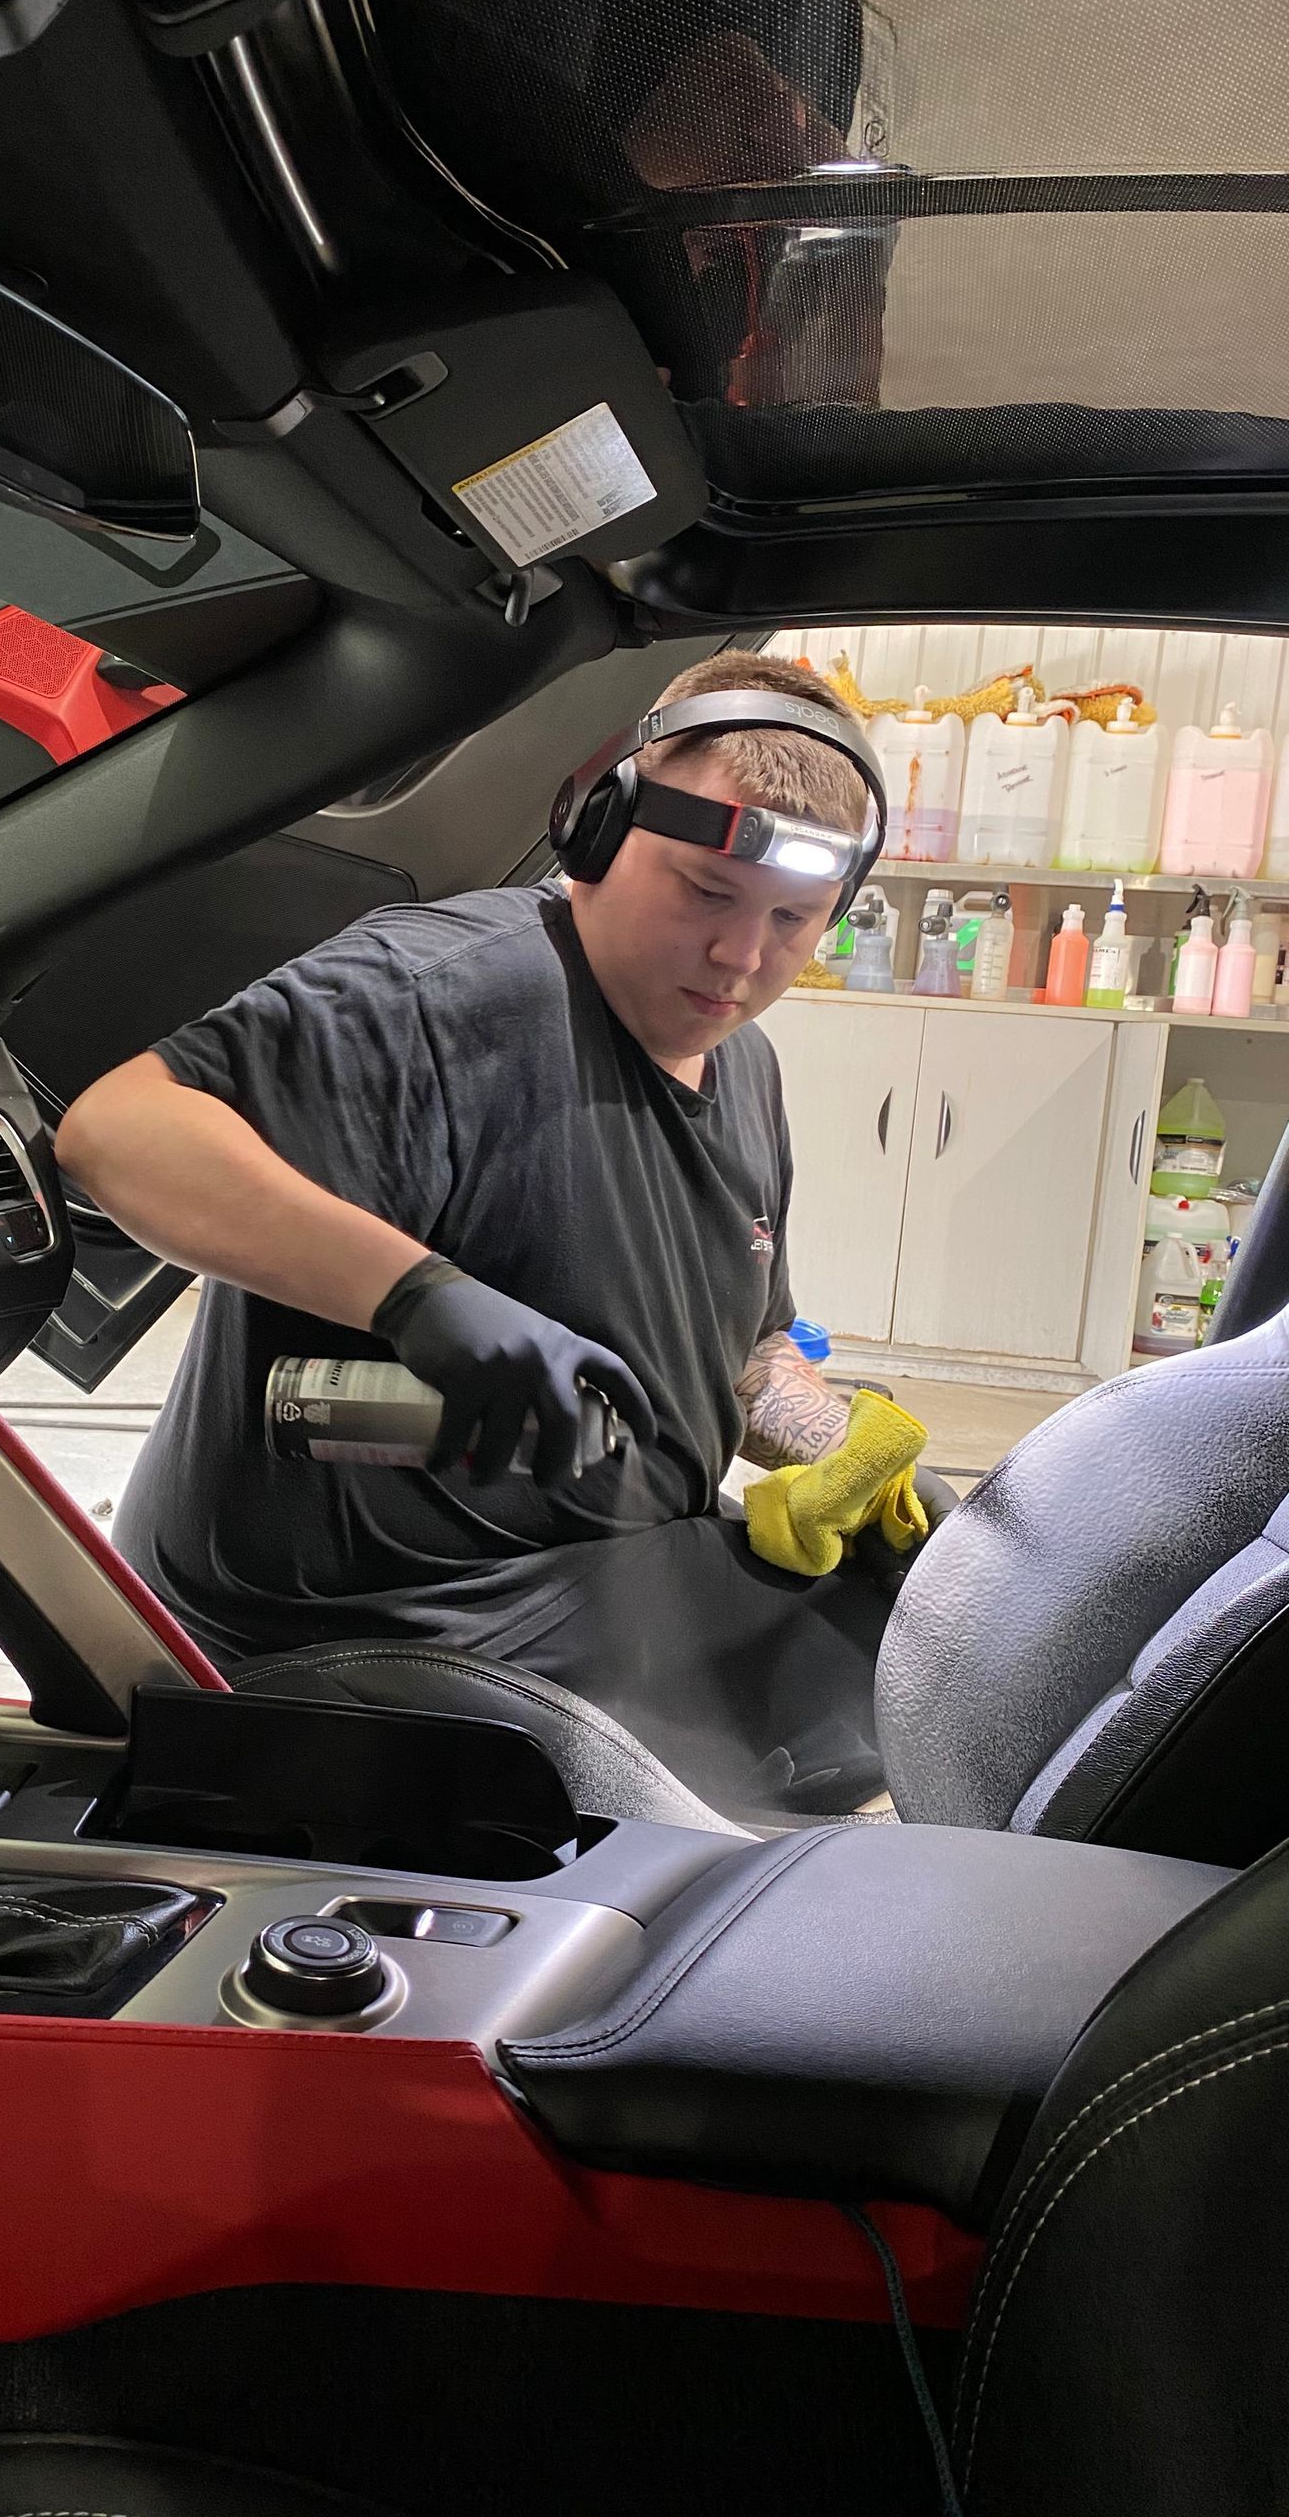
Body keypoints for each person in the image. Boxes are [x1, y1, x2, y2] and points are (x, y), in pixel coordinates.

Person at [57, 651, 896, 1812]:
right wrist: (418, 1297)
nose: (742, 959)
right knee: (730, 1816)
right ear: (600, 831)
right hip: (359, 1624)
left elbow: (747, 1349)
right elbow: (115, 1131)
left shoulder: (746, 1070)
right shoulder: (443, 990)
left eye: (791, 919)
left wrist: (837, 1444)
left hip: (588, 1571)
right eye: (708, 894)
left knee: (913, 1616)